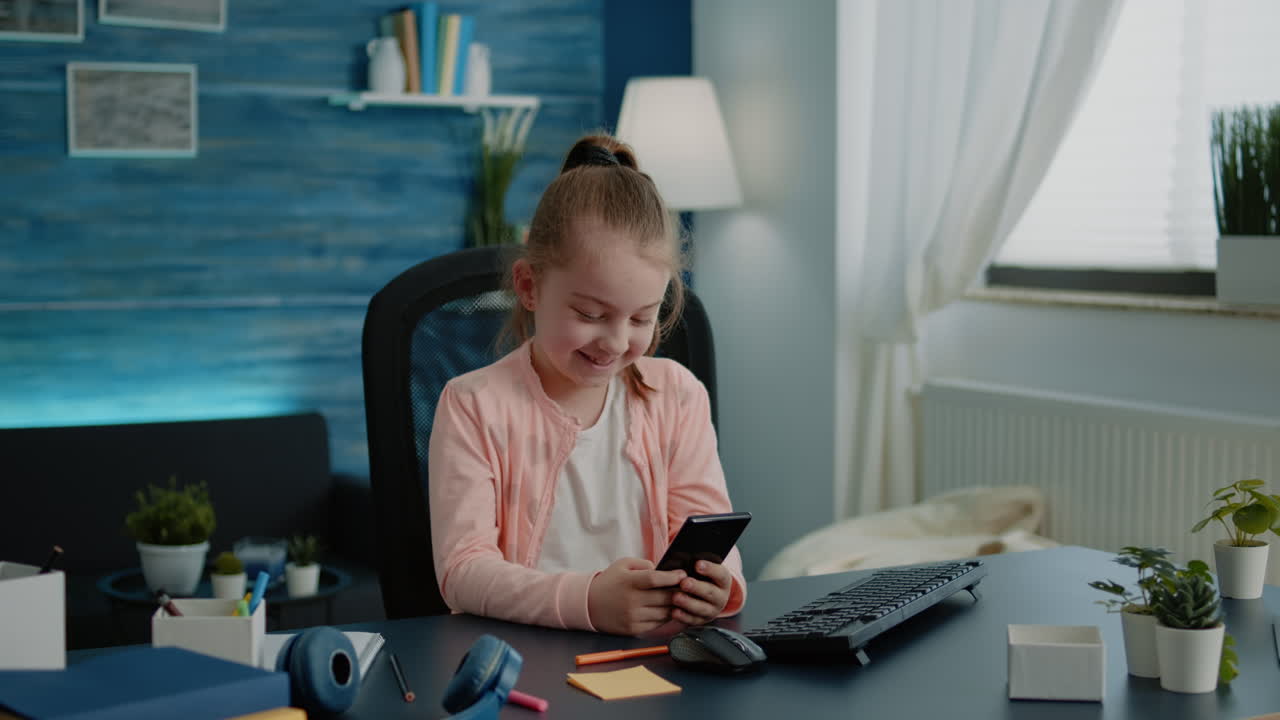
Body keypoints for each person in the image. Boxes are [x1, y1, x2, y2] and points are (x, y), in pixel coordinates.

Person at [428, 132, 747, 636]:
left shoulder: (679, 396)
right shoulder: (472, 405)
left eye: (643, 318)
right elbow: (462, 571)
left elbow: (710, 538)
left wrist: (718, 583)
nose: (616, 343)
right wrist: (589, 602)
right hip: (526, 662)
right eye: (591, 314)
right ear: (529, 287)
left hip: (651, 665)